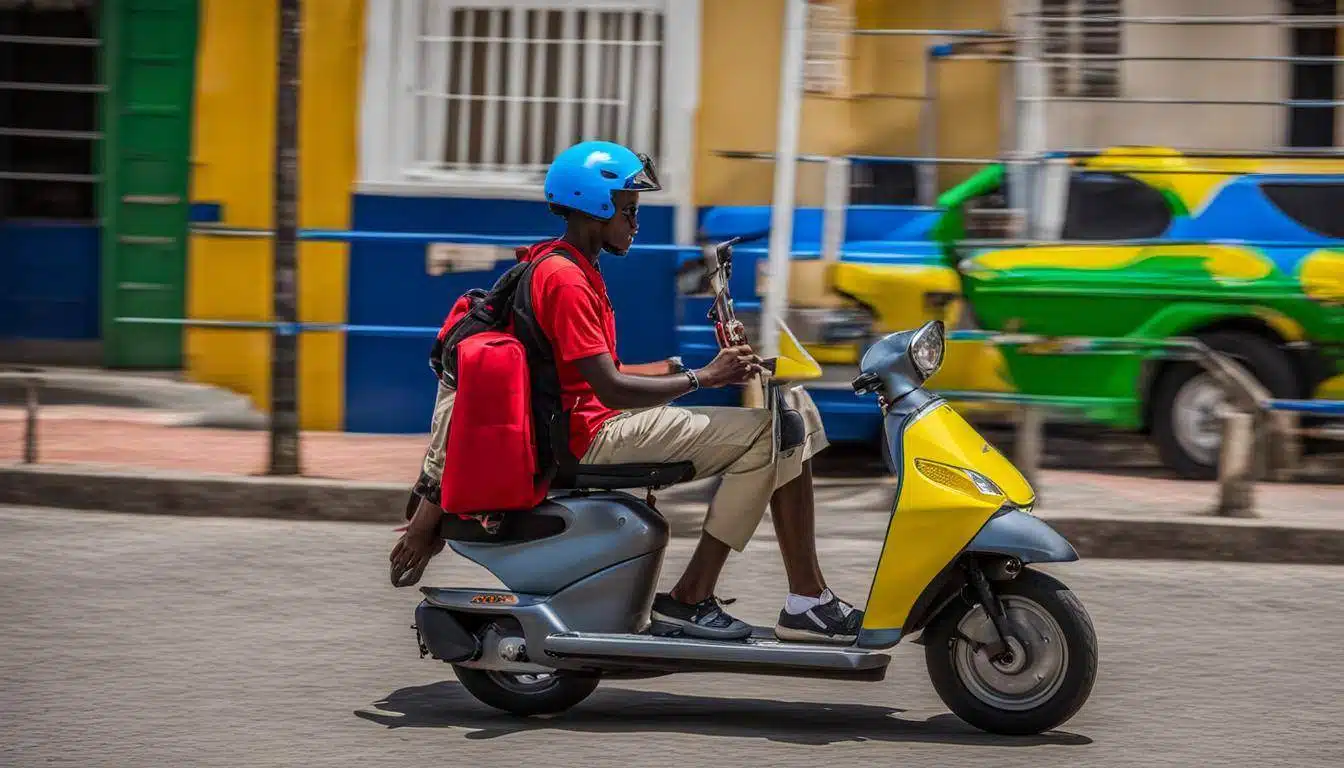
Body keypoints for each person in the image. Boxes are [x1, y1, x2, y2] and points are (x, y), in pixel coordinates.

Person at [390, 140, 862, 644]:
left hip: (590, 423)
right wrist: (707, 378)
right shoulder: (566, 280)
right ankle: (721, 599)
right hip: (590, 437)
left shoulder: (571, 267)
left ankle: (796, 598)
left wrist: (689, 367)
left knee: (797, 412)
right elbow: (611, 389)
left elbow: (595, 373)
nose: (636, 223)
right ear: (597, 207)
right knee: (777, 431)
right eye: (629, 210)